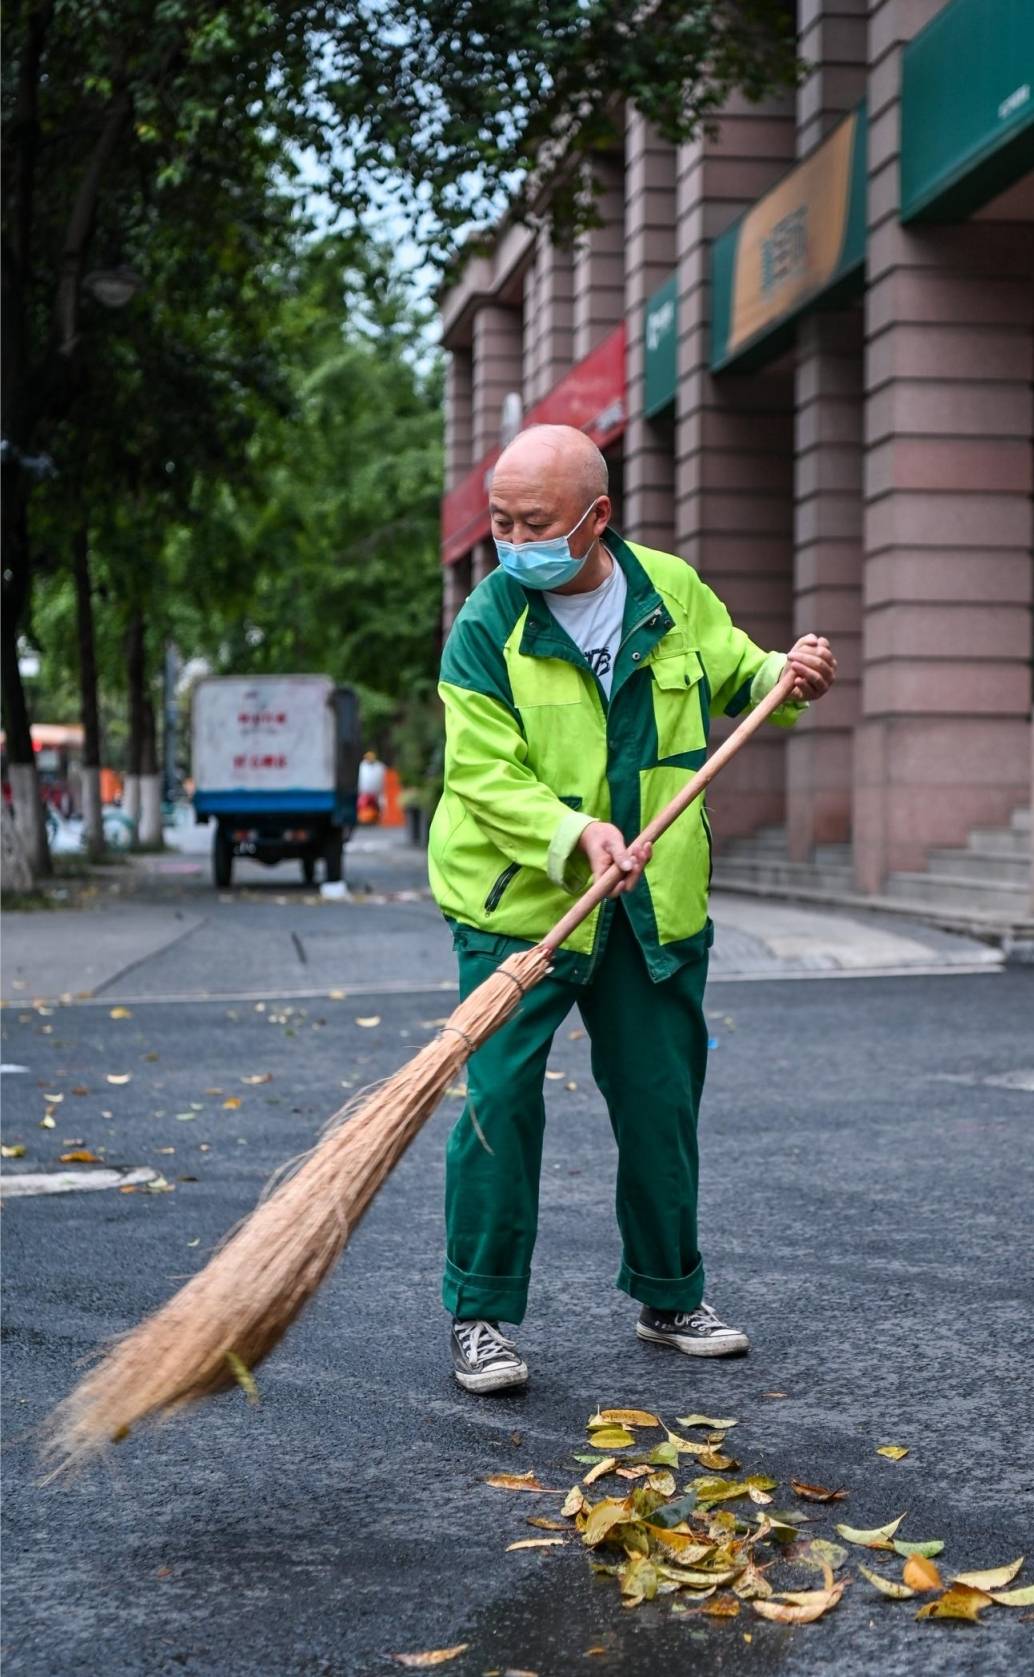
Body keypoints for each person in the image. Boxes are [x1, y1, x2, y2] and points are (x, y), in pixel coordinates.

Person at [428, 424, 836, 1393]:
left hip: (651, 900)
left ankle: (669, 1294)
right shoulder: (486, 623)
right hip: (520, 906)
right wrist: (575, 834)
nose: (509, 541)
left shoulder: (669, 589)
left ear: (597, 515)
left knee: (660, 1102)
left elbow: (741, 672)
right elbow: (483, 771)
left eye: (533, 523)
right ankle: (479, 1315)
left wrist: (788, 672)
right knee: (498, 1104)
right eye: (498, 520)